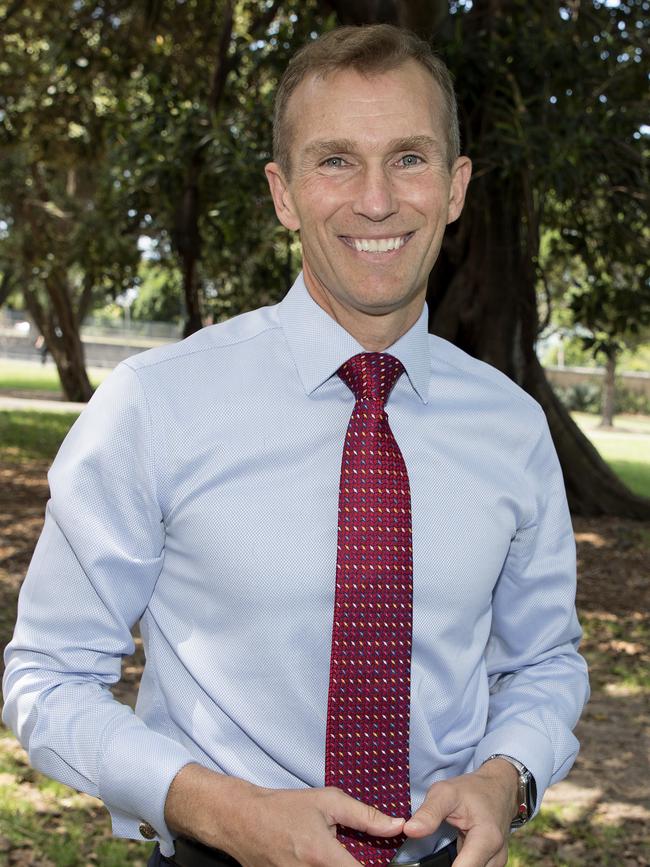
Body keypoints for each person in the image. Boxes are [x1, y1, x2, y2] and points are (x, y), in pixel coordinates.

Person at [3, 24, 589, 867]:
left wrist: (507, 776)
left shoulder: (513, 426)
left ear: (456, 187)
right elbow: (46, 676)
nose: (378, 200)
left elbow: (543, 660)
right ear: (283, 193)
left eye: (411, 158)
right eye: (336, 160)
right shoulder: (156, 404)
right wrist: (222, 809)